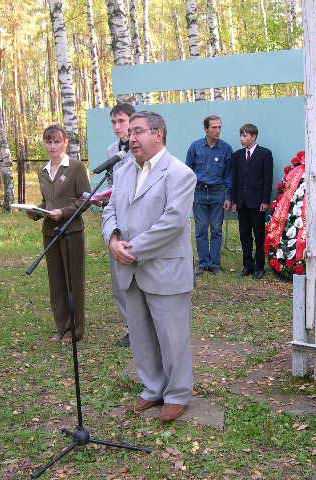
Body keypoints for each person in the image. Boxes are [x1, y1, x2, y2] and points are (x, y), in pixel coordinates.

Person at [102, 111, 196, 422]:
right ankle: (153, 387)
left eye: (138, 131)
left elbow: (172, 222)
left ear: (159, 134)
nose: (131, 138)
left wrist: (132, 249)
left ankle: (177, 394)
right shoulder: (124, 170)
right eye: (130, 132)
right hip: (128, 268)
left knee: (172, 337)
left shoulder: (180, 173)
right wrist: (113, 239)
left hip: (163, 268)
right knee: (141, 334)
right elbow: (110, 209)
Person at [28, 125, 91, 343]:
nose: (52, 146)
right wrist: (36, 211)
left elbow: (86, 199)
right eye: (48, 141)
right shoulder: (43, 171)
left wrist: (63, 212)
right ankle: (62, 327)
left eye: (56, 141)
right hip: (50, 232)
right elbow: (48, 202)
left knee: (73, 281)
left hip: (71, 231)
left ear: (66, 142)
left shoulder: (76, 167)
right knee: (56, 282)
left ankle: (76, 330)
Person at [185, 115, 233, 275]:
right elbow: (187, 170)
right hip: (199, 192)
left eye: (219, 127)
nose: (218, 130)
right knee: (201, 229)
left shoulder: (226, 149)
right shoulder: (195, 147)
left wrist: (228, 196)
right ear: (206, 129)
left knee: (217, 229)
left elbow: (229, 175)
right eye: (214, 127)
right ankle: (203, 263)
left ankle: (215, 264)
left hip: (217, 192)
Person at [106, 103, 136, 347]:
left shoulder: (141, 150)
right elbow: (111, 185)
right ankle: (131, 327)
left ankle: (146, 327)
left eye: (121, 121)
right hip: (117, 219)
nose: (117, 127)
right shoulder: (111, 151)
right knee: (119, 281)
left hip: (138, 219)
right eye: (114, 122)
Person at [230, 123, 273, 280]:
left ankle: (259, 266)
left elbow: (267, 179)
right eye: (241, 135)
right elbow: (235, 179)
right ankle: (247, 265)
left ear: (253, 137)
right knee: (244, 234)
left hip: (257, 203)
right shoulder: (237, 155)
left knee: (259, 234)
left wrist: (265, 201)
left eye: (245, 135)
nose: (242, 138)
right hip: (242, 202)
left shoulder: (265, 154)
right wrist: (234, 200)